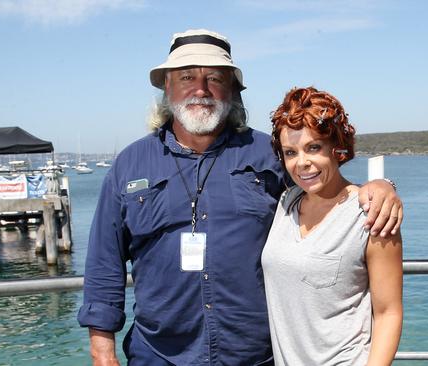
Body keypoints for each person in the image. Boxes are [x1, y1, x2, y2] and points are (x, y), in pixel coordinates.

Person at [77, 29, 403, 365]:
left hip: (254, 357)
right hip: (159, 356)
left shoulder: (269, 155)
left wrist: (380, 187)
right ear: (167, 87)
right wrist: (103, 353)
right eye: (187, 77)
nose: (201, 89)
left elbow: (325, 190)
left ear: (232, 89)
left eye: (214, 78)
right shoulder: (128, 165)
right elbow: (104, 265)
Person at [263, 87, 403, 365]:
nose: (302, 163)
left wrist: (384, 187)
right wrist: (384, 183)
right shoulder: (286, 202)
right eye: (290, 152)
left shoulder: (370, 215)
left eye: (313, 147)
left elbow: (388, 313)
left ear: (336, 149)